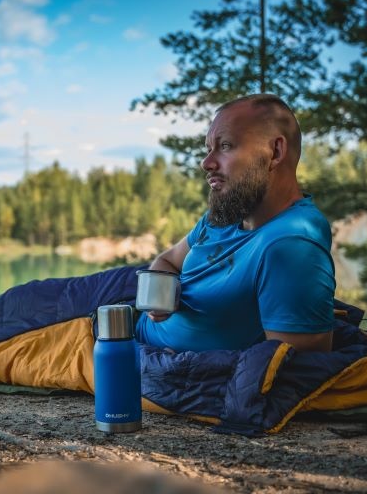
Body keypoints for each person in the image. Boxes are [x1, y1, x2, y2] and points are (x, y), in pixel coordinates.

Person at [135, 93, 335, 353]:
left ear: (275, 152)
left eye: (226, 146)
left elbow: (292, 368)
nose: (206, 163)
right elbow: (169, 260)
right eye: (209, 149)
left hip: (137, 358)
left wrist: (180, 368)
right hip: (130, 330)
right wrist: (157, 297)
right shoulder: (227, 214)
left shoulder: (291, 244)